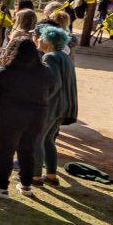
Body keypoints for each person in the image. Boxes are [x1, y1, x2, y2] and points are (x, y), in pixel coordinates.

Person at [0, 38, 56, 197]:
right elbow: (51, 89)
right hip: (38, 115)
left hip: (12, 114)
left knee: (5, 150)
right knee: (28, 149)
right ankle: (26, 185)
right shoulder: (45, 70)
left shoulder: (4, 71)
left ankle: (1, 187)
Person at [37, 26, 79, 186]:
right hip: (64, 106)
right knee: (48, 140)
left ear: (49, 41)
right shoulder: (65, 56)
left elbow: (54, 82)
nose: (39, 40)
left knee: (37, 140)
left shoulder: (50, 56)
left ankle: (34, 176)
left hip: (52, 106)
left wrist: (42, 100)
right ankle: (51, 175)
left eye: (41, 37)